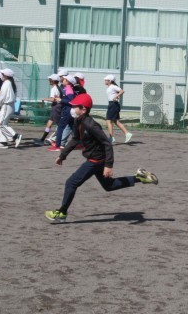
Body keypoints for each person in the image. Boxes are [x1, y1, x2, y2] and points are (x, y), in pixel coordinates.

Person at [44, 93, 159, 223]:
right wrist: (62, 155)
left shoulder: (91, 125)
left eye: (75, 106)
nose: (72, 108)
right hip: (96, 159)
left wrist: (108, 165)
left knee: (71, 183)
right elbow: (75, 139)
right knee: (109, 186)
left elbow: (107, 143)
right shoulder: (78, 121)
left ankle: (62, 212)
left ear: (83, 109)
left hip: (96, 160)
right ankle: (140, 177)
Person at [0, 68, 22, 149]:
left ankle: (15, 136)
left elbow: (1, 96)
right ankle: (3, 142)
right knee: (3, 123)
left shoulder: (6, 83)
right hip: (9, 105)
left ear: (6, 76)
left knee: (1, 124)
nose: (1, 75)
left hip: (6, 105)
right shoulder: (10, 83)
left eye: (2, 74)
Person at [48, 74, 76, 152]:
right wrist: (59, 98)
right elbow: (66, 98)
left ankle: (57, 146)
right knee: (73, 128)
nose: (62, 80)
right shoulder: (66, 88)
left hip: (67, 111)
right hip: (67, 110)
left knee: (60, 128)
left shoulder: (68, 89)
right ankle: (81, 143)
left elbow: (71, 100)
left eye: (64, 79)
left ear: (68, 81)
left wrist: (61, 100)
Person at [104, 74, 133, 144]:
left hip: (113, 105)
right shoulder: (110, 87)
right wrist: (116, 96)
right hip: (112, 104)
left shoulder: (113, 86)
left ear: (110, 81)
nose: (105, 81)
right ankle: (127, 134)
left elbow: (122, 91)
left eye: (106, 80)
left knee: (108, 121)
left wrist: (116, 96)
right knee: (115, 121)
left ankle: (111, 137)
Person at [38, 73, 62, 144]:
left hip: (56, 107)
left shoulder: (54, 89)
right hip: (56, 106)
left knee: (59, 125)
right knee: (50, 122)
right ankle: (43, 139)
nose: (49, 80)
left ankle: (58, 140)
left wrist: (45, 99)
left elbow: (53, 99)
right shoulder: (58, 87)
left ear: (53, 81)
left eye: (50, 79)